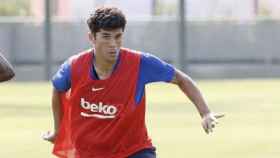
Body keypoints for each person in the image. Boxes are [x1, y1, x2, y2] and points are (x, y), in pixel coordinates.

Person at [43, 6, 224, 158]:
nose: (113, 44)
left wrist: (205, 113)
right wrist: (59, 130)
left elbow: (181, 79)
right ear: (91, 38)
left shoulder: (140, 63)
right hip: (89, 153)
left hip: (133, 151)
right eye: (106, 37)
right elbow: (57, 89)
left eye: (118, 36)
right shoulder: (73, 67)